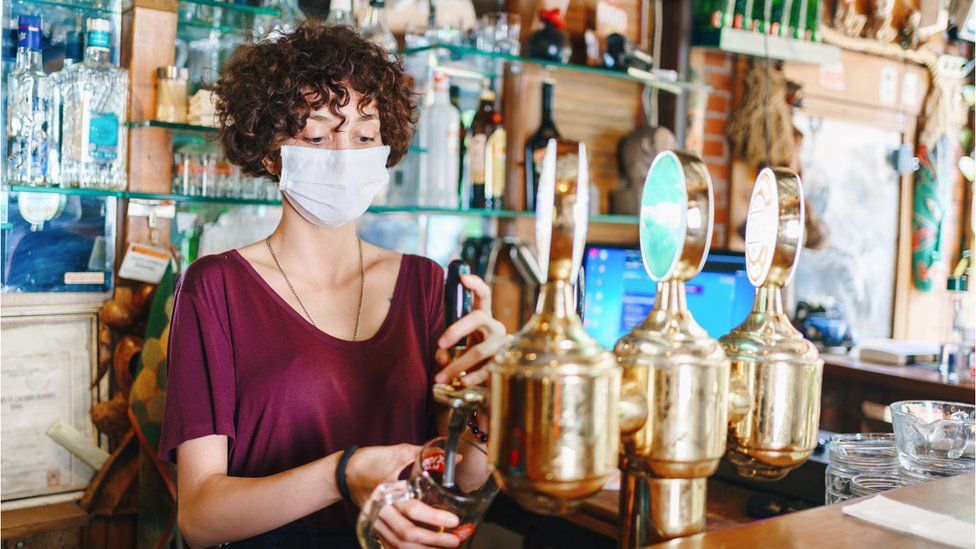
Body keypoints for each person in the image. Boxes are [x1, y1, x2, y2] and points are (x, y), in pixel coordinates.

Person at [158, 23, 507, 548]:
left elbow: (462, 476)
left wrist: (486, 403)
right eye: (318, 136)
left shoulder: (425, 285)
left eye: (365, 136)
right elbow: (201, 517)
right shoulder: (216, 290)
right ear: (271, 154)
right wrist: (341, 474)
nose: (346, 155)